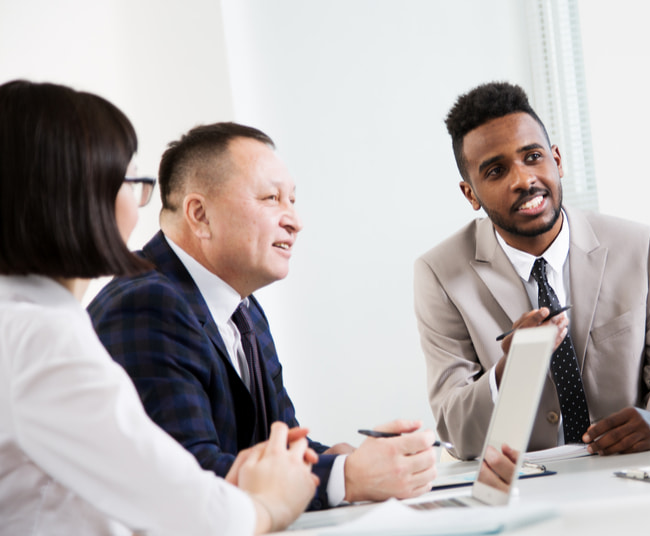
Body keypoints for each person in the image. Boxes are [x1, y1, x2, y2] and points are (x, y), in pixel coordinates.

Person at [0, 79, 316, 534]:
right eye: (132, 182)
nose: (139, 203)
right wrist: (268, 505)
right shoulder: (42, 336)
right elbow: (193, 510)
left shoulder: (27, 325)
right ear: (73, 196)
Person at [88, 122, 437, 509]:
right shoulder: (146, 305)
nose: (294, 220)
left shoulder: (243, 306)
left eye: (292, 199)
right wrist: (345, 478)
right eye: (272, 198)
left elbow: (279, 444)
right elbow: (186, 475)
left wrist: (346, 461)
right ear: (200, 214)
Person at [415, 81, 650, 460]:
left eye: (533, 157)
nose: (522, 179)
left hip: (637, 471)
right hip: (526, 485)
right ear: (470, 194)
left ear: (557, 160)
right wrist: (511, 369)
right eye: (496, 171)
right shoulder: (439, 275)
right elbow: (459, 435)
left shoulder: (640, 248)